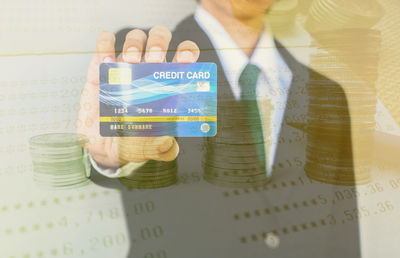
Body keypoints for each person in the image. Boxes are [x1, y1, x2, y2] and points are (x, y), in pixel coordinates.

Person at [79, 0, 362, 257]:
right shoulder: (148, 58)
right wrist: (110, 158)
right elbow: (127, 158)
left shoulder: (329, 94)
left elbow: (342, 234)